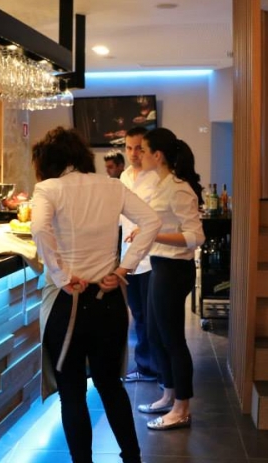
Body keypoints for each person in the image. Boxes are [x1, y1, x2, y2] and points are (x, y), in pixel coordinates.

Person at [31, 127, 161, 463]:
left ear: (47, 162)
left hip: (68, 301)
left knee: (72, 394)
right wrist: (123, 269)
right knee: (110, 384)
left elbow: (38, 228)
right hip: (108, 299)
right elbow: (151, 221)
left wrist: (59, 275)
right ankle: (132, 457)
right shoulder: (112, 185)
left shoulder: (48, 189)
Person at [132, 127, 204, 431]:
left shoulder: (179, 188)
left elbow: (195, 236)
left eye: (143, 150)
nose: (139, 155)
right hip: (159, 266)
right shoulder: (160, 184)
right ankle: (169, 394)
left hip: (174, 270)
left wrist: (153, 234)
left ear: (157, 155)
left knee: (173, 339)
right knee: (157, 336)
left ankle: (181, 408)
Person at [119, 127, 160, 383]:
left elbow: (159, 219)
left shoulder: (156, 178)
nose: (134, 153)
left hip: (151, 256)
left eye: (139, 148)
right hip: (128, 258)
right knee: (138, 314)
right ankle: (146, 366)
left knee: (151, 316)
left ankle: (155, 367)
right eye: (129, 148)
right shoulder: (123, 177)